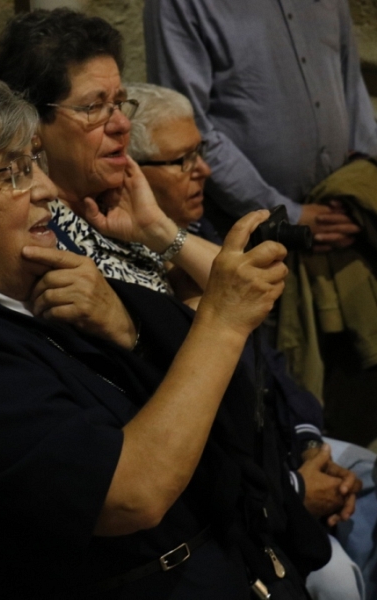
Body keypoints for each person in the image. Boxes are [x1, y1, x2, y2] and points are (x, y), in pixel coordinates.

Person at [0, 78, 331, 599]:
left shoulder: (46, 290)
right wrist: (221, 322)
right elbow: (132, 492)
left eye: (35, 163)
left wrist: (129, 330)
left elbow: (215, 411)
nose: (44, 188)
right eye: (14, 172)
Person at [126, 80, 377, 600]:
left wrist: (308, 445)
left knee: (367, 478)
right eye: (182, 160)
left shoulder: (207, 238)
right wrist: (295, 488)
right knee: (337, 583)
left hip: (287, 450)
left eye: (201, 152)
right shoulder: (138, 270)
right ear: (132, 175)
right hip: (240, 490)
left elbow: (272, 370)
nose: (205, 171)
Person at [142, 0, 377, 243]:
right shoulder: (181, 5)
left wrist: (364, 188)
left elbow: (351, 87)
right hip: (245, 233)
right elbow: (188, 124)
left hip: (346, 216)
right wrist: (286, 215)